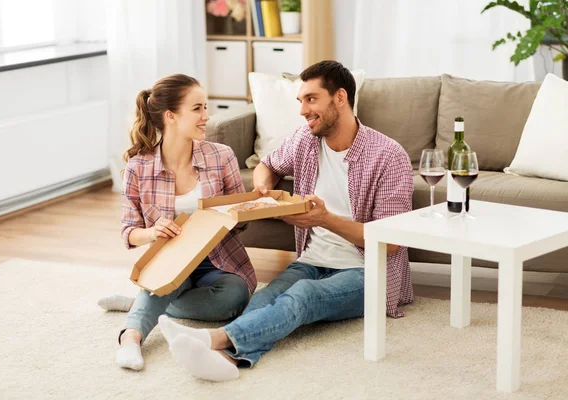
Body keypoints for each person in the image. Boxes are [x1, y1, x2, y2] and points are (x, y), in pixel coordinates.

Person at [158, 61, 415, 382]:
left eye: (311, 99)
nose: (303, 110)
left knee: (303, 295)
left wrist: (325, 219)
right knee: (265, 297)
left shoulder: (388, 155)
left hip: (367, 272)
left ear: (340, 98)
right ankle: (230, 360)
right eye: (300, 101)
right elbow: (268, 165)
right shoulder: (306, 140)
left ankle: (214, 339)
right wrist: (263, 189)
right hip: (312, 259)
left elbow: (389, 245)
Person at [106, 74, 257, 371]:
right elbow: (128, 232)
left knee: (235, 298)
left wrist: (244, 209)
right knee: (165, 283)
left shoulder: (221, 156)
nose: (206, 116)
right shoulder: (139, 167)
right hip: (171, 260)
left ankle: (145, 301)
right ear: (170, 116)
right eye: (197, 108)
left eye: (206, 107)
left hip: (219, 261)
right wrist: (152, 232)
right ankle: (130, 338)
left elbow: (240, 222)